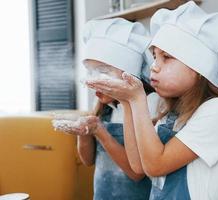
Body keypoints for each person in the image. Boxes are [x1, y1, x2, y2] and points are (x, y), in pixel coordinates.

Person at [86, 2, 218, 200]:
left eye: (166, 57)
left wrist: (137, 98)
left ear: (200, 66)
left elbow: (155, 166)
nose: (154, 66)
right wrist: (127, 101)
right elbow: (137, 165)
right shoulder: (172, 113)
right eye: (154, 57)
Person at [52, 18, 158, 200]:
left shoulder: (149, 105)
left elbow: (137, 173)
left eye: (103, 71)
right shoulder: (104, 106)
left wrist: (100, 132)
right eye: (90, 71)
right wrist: (84, 132)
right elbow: (88, 160)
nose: (93, 80)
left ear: (129, 73)